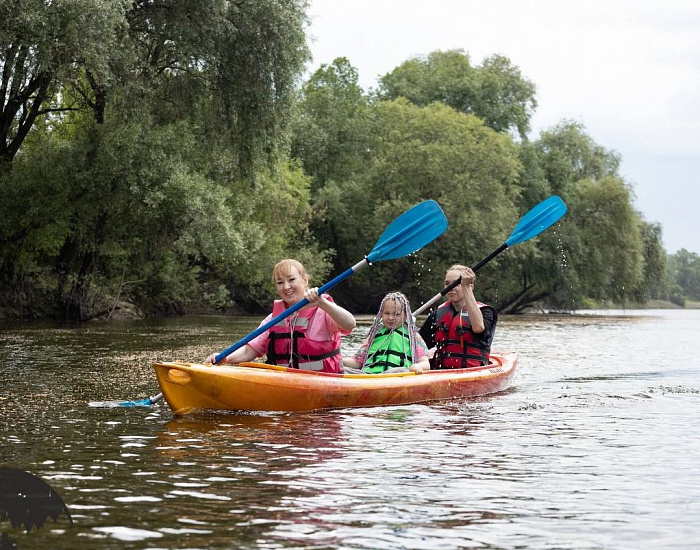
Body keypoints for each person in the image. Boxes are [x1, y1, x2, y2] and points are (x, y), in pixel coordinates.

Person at [204, 259, 356, 373]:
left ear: (305, 280)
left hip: (325, 382)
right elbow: (249, 351)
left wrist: (322, 303)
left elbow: (350, 324)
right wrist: (226, 358)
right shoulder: (273, 319)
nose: (286, 287)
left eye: (291, 280)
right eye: (280, 282)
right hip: (285, 381)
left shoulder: (324, 311)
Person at [419, 264, 497, 369]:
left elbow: (479, 329)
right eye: (447, 284)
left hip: (472, 370)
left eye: (457, 283)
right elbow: (420, 344)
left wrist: (466, 287)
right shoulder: (437, 314)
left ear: (471, 287)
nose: (451, 288)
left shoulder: (486, 312)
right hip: (440, 372)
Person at [343, 291, 430, 374]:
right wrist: (339, 360)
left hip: (398, 375)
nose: (391, 318)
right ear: (381, 314)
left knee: (401, 370)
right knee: (343, 370)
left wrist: (417, 366)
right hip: (369, 375)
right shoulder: (373, 335)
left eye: (396, 314)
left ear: (406, 316)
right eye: (387, 313)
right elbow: (357, 362)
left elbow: (426, 363)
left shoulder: (414, 337)